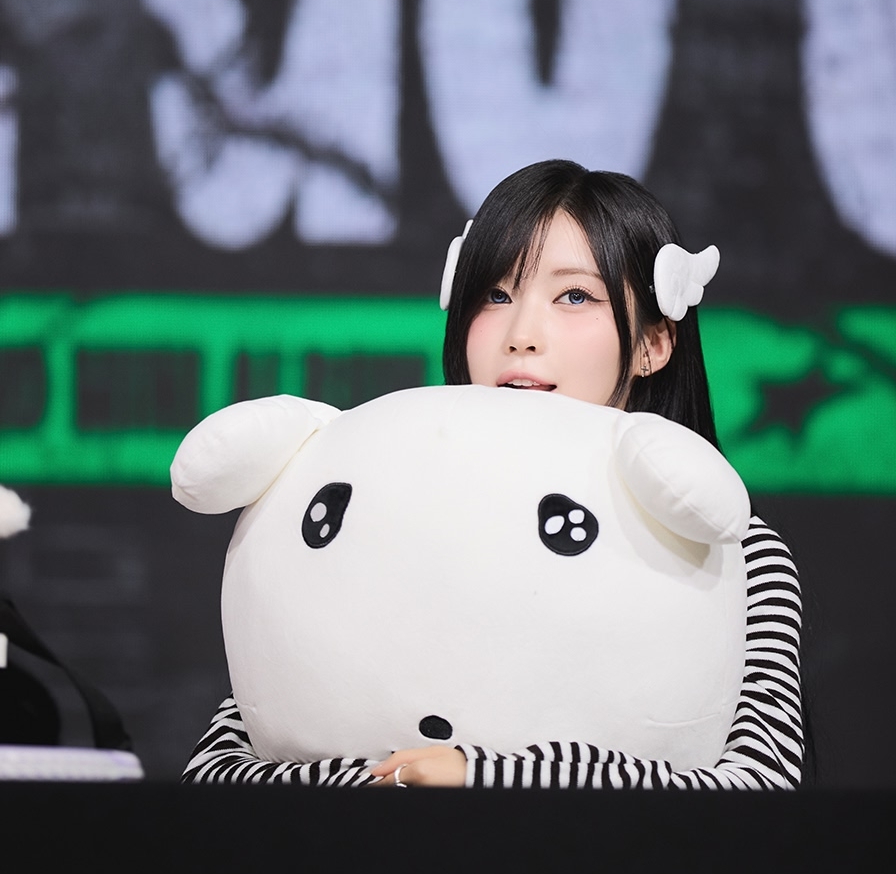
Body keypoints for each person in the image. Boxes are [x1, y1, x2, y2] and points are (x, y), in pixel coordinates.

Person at [182, 161, 803, 791]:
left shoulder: (731, 550)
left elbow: (759, 784)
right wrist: (393, 780)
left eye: (575, 296)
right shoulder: (383, 501)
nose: (521, 335)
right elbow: (218, 770)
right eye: (497, 295)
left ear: (653, 342)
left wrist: (485, 776)